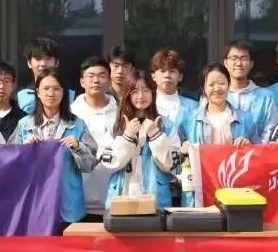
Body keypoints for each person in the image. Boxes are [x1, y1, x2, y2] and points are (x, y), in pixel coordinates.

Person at [15, 69, 98, 231]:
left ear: (63, 92)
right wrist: (25, 149)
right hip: (35, 202)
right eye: (46, 88)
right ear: (38, 92)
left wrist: (78, 146)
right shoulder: (24, 125)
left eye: (56, 88)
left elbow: (90, 165)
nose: (51, 93)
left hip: (68, 202)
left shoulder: (77, 124)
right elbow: (12, 165)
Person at [178, 63, 254, 206]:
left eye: (221, 83)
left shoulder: (245, 118)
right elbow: (176, 158)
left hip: (234, 189)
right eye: (211, 84)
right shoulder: (189, 119)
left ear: (229, 85)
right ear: (203, 89)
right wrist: (183, 150)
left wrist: (248, 146)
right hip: (199, 190)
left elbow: (258, 155)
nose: (217, 88)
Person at [104, 71, 179, 210]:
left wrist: (156, 136)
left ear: (153, 93)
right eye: (134, 91)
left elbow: (172, 165)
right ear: (127, 94)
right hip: (121, 200)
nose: (141, 96)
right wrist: (127, 136)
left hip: (156, 201)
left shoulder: (166, 125)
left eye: (146, 90)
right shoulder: (115, 124)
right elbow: (109, 163)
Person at [70, 57, 118, 217]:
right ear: (82, 82)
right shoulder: (71, 114)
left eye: (102, 75)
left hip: (114, 196)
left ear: (109, 81)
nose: (96, 80)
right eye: (90, 76)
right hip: (78, 198)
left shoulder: (121, 112)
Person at [222, 40, 278, 143]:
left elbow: (270, 133)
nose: (238, 63)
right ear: (225, 62)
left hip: (257, 152)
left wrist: (251, 147)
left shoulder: (266, 97)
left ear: (251, 64)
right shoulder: (215, 95)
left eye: (243, 58)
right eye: (234, 58)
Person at [17, 38, 75, 113]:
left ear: (57, 62)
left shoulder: (71, 96)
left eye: (48, 59)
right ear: (29, 63)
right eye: (38, 59)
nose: (43, 64)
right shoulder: (21, 97)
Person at [150, 49, 198, 136]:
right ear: (153, 76)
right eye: (162, 71)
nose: (167, 75)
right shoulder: (146, 106)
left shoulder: (193, 107)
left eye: (172, 71)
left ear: (180, 77)